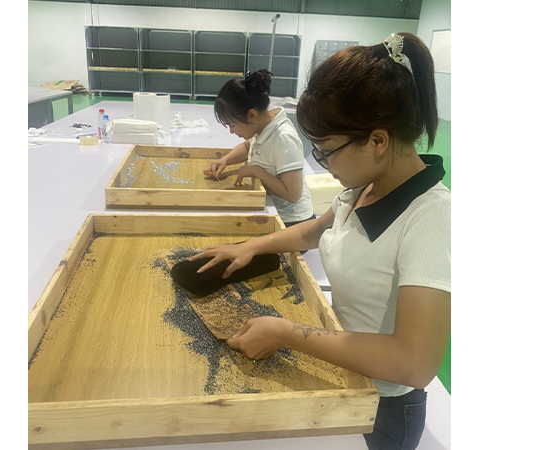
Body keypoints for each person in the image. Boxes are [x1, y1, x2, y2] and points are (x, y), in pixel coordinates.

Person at [189, 33, 450, 450]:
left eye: (326, 151)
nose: (323, 164)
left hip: (384, 408)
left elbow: (414, 364)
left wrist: (286, 332)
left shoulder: (432, 217)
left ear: (378, 141)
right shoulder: (363, 186)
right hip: (343, 370)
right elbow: (314, 229)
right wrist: (249, 247)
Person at [204, 69, 315, 229]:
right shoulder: (262, 125)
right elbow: (247, 146)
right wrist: (225, 160)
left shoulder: (283, 138)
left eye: (232, 125)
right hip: (270, 207)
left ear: (251, 115)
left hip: (292, 222)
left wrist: (256, 171)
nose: (231, 132)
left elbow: (293, 194)